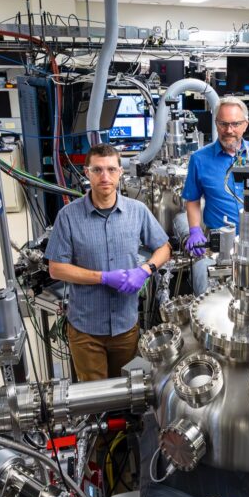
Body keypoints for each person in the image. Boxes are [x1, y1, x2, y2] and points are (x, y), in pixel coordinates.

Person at [46, 143, 171, 381]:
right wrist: (102, 277)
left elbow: (164, 249)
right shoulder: (68, 216)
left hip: (126, 326)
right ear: (87, 173)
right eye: (98, 170)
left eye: (112, 169)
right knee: (96, 401)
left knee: (127, 393)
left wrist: (145, 270)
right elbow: (56, 269)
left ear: (121, 172)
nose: (105, 176)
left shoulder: (137, 211)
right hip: (86, 330)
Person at [179, 96, 249, 293]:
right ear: (216, 123)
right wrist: (194, 230)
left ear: (246, 124)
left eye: (235, 124)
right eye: (223, 124)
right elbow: (192, 200)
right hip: (218, 244)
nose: (229, 130)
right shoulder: (199, 159)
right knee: (211, 297)